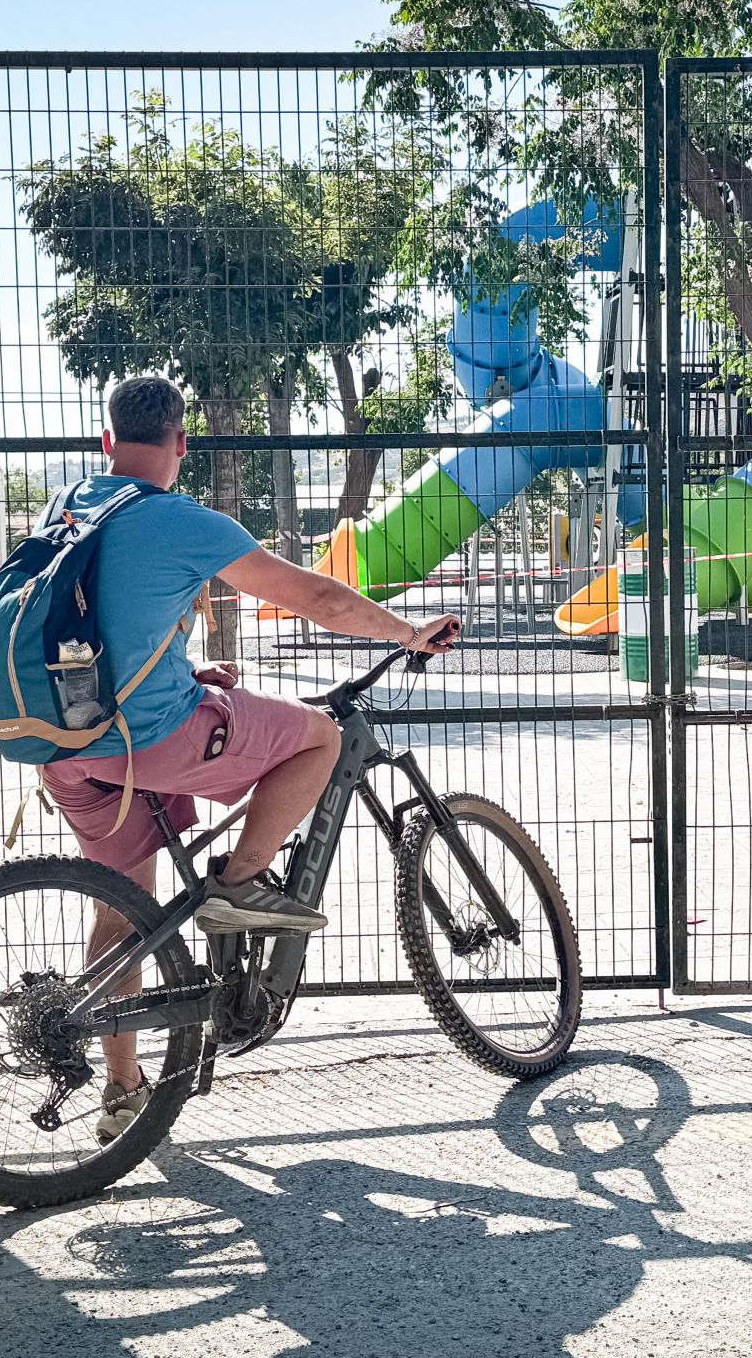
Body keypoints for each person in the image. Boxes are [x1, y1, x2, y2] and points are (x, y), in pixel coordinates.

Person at [40, 374, 459, 1141]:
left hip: (67, 744)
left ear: (107, 443)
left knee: (120, 910)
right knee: (319, 736)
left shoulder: (68, 507)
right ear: (182, 444)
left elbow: (97, 629)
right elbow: (319, 600)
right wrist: (405, 634)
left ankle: (124, 1091)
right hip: (151, 740)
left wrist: (182, 672)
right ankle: (237, 882)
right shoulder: (180, 519)